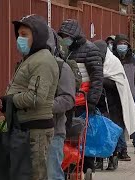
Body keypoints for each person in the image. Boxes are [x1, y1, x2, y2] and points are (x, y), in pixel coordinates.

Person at [0, 15, 59, 180]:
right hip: (25, 127)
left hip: (36, 131)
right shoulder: (31, 59)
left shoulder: (42, 61)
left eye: (25, 34)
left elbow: (36, 97)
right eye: (19, 34)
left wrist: (10, 100)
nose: (20, 39)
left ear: (38, 36)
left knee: (35, 175)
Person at [58, 19, 103, 175]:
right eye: (62, 36)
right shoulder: (63, 50)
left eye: (67, 36)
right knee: (68, 137)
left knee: (83, 137)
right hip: (68, 100)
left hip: (83, 101)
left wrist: (92, 100)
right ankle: (68, 166)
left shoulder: (91, 50)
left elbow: (97, 78)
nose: (65, 39)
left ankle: (85, 167)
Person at [94, 40, 135, 170]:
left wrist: (103, 80)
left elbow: (119, 84)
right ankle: (98, 158)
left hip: (114, 105)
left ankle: (112, 156)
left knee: (111, 133)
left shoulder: (113, 63)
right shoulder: (95, 63)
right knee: (98, 132)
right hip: (100, 104)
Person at [46, 28, 76, 180]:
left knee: (52, 174)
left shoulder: (61, 67)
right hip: (26, 132)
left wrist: (44, 106)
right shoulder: (24, 66)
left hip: (53, 130)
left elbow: (68, 99)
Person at [112, 34, 135, 157]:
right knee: (118, 122)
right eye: (120, 44)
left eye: (125, 44)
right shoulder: (112, 59)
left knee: (133, 120)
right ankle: (122, 149)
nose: (123, 46)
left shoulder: (133, 60)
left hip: (131, 95)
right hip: (116, 96)